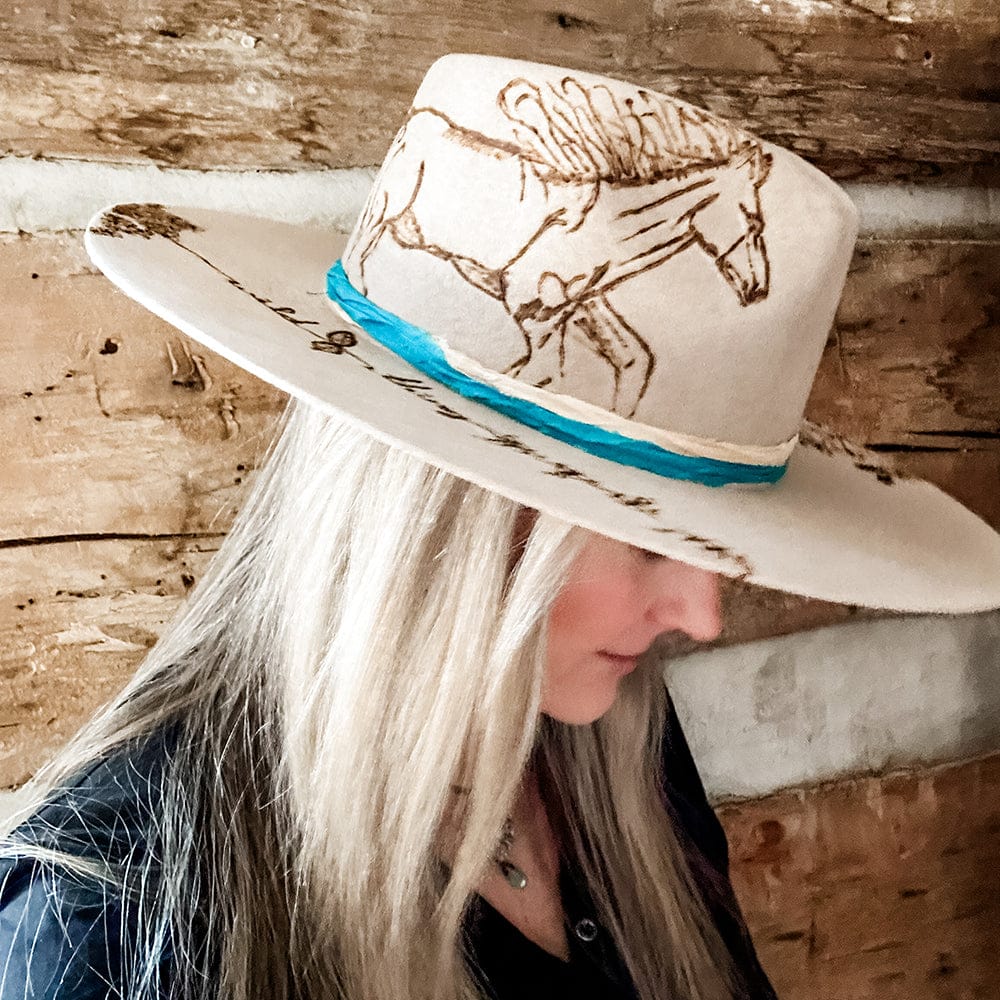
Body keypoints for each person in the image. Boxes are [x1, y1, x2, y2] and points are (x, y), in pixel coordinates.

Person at [2, 53, 998, 1000]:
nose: (701, 617)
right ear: (443, 515)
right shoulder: (113, 912)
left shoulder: (614, 745)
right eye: (646, 538)